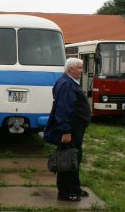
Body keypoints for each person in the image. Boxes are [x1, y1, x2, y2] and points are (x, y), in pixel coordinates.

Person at [43, 58, 91, 202]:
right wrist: (66, 131)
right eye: (79, 68)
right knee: (66, 159)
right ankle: (64, 193)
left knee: (75, 157)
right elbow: (63, 109)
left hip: (76, 129)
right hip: (71, 129)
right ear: (70, 69)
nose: (82, 71)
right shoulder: (66, 84)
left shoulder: (68, 82)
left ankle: (74, 187)